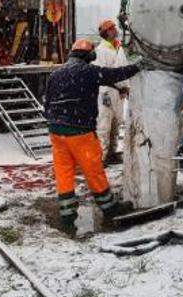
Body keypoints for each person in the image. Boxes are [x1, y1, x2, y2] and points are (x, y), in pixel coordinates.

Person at [44, 38, 141, 233]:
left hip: (56, 133)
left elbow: (47, 104)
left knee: (64, 173)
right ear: (90, 56)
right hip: (79, 132)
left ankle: (67, 215)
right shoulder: (89, 72)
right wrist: (138, 67)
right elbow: (115, 74)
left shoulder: (55, 75)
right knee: (93, 170)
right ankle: (109, 208)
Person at [93, 19, 131, 163]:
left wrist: (126, 87)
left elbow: (124, 68)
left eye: (115, 28)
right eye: (112, 28)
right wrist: (106, 91)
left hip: (119, 92)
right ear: (106, 32)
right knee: (104, 125)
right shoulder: (101, 50)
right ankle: (100, 158)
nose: (115, 30)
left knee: (116, 123)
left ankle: (112, 153)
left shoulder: (118, 48)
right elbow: (101, 73)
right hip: (107, 91)